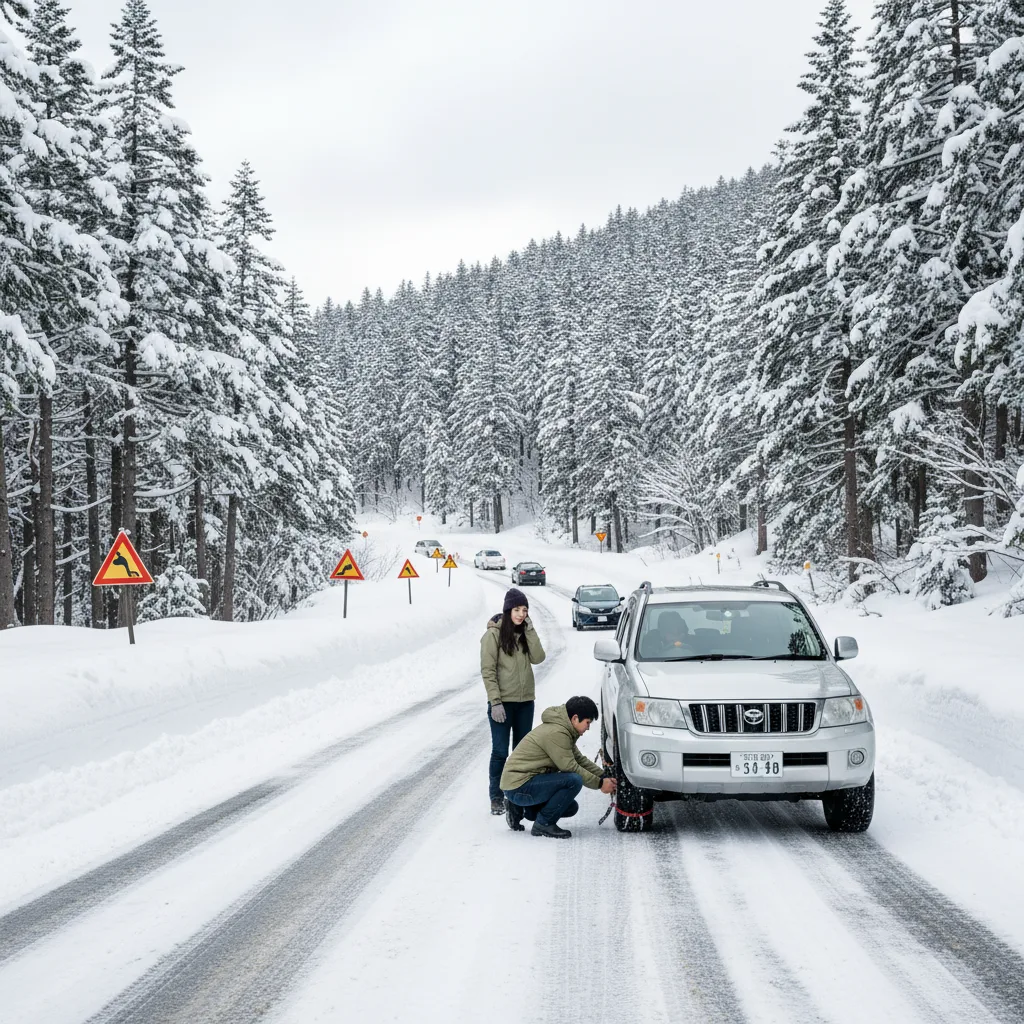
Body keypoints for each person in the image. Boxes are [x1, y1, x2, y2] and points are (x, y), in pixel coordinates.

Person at [500, 696, 616, 838]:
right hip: (518, 785)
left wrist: (603, 775)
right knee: (573, 780)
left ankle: (521, 809)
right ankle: (543, 824)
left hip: (524, 782)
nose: (588, 727)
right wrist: (600, 784)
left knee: (570, 807)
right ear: (575, 718)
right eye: (587, 722)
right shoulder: (557, 733)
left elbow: (579, 760)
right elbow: (570, 766)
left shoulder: (564, 729)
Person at [481, 587, 546, 815]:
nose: (521, 614)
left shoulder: (525, 633)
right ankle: (496, 797)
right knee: (500, 752)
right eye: (517, 609)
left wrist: (530, 629)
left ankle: (517, 796)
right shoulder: (493, 636)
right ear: (508, 610)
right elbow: (488, 671)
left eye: (525, 610)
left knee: (521, 752)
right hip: (502, 703)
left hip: (525, 702)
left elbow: (539, 658)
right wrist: (495, 702)